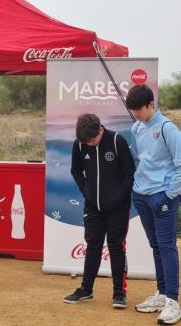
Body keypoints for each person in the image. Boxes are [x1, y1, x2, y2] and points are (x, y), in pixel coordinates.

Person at [63, 113, 134, 309]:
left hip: (118, 208)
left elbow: (130, 172)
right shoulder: (80, 144)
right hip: (92, 207)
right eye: (86, 141)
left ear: (100, 129)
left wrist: (119, 197)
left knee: (115, 246)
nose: (90, 144)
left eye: (93, 140)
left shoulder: (117, 140)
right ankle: (87, 289)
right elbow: (75, 170)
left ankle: (119, 293)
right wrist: (86, 190)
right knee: (93, 245)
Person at [125, 84, 181, 324]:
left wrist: (169, 194)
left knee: (167, 245)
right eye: (133, 110)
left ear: (151, 105)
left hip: (162, 196)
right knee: (155, 245)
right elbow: (140, 159)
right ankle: (161, 293)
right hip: (141, 194)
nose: (136, 114)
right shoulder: (136, 127)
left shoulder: (168, 128)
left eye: (139, 109)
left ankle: (172, 301)